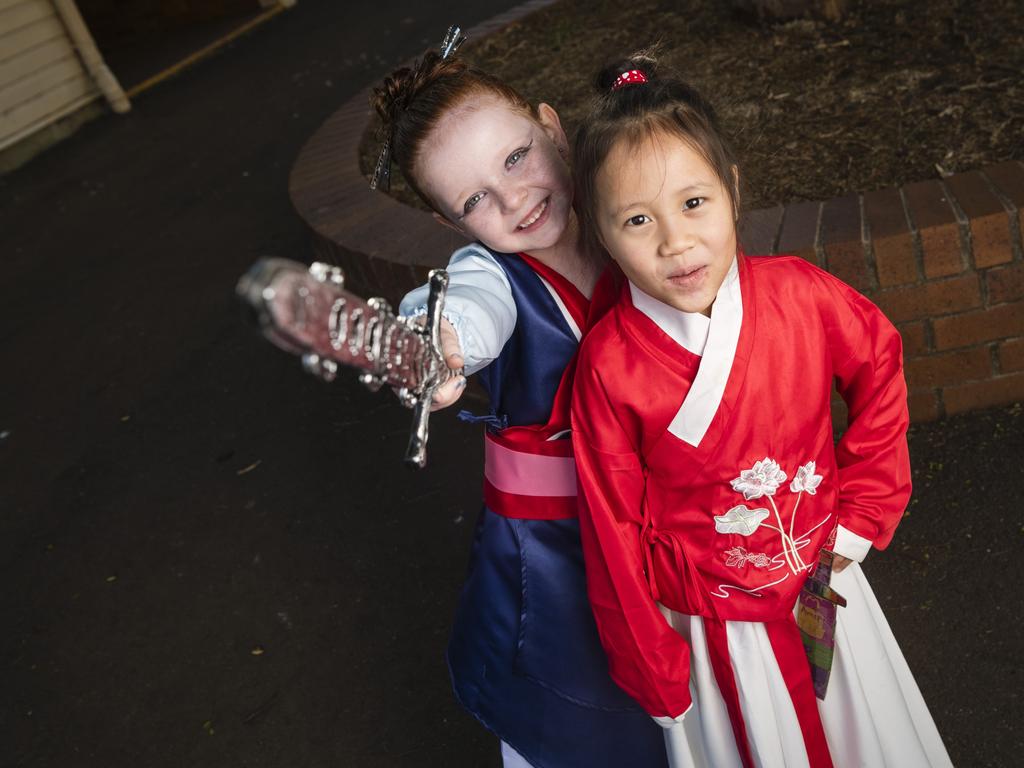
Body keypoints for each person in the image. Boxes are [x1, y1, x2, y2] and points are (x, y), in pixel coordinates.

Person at [569, 53, 954, 767]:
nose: (675, 243)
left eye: (694, 203)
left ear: (733, 190)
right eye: (636, 220)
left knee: (862, 734)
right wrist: (653, 664)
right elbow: (611, 529)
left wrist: (864, 509)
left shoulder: (801, 295)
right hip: (711, 627)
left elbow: (879, 363)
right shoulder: (610, 365)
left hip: (822, 580)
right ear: (598, 231)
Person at [372, 36, 670, 768]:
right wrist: (432, 341)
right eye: (475, 199)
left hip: (674, 521)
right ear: (453, 226)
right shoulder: (490, 276)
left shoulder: (625, 214)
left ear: (553, 127)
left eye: (517, 157)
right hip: (566, 555)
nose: (515, 199)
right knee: (587, 728)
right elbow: (462, 312)